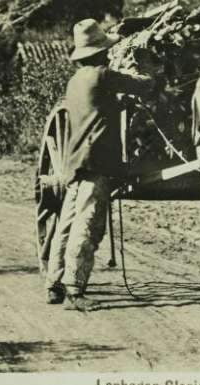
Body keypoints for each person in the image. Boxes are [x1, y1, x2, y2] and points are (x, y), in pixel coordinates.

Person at [46, 18, 155, 312]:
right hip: (96, 163)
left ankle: (53, 283)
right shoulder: (103, 76)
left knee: (67, 223)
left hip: (75, 162)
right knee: (88, 223)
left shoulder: (77, 80)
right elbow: (143, 86)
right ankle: (74, 291)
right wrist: (148, 72)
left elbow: (100, 108)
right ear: (100, 53)